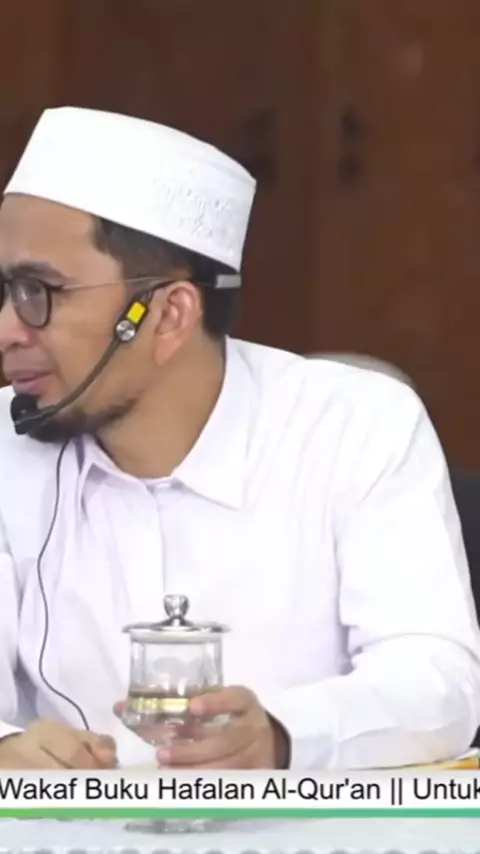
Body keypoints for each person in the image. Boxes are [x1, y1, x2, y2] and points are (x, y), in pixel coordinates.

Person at [0, 106, 478, 772]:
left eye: (39, 292)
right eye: (5, 291)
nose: (8, 330)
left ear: (169, 313)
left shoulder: (356, 425)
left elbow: (438, 682)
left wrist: (282, 737)